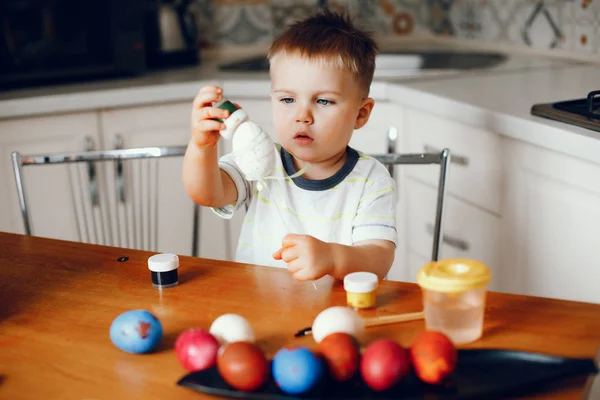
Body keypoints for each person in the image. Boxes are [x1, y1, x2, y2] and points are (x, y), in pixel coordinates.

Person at [182, 10, 397, 282]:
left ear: (361, 114)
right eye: (287, 100)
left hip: (338, 311)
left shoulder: (371, 180)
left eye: (323, 101)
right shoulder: (262, 161)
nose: (302, 115)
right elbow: (207, 193)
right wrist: (201, 147)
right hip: (261, 308)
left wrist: (332, 258)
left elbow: (379, 258)